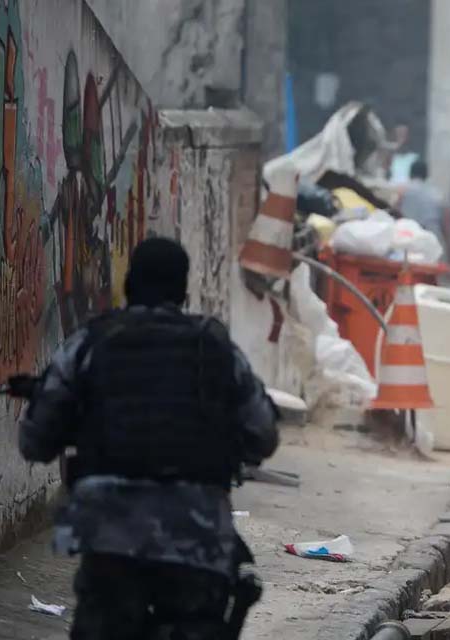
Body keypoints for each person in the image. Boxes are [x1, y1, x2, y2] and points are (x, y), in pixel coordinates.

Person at [18, 237, 279, 639]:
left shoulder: (90, 343)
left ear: (129, 283)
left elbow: (34, 441)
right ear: (183, 290)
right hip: (195, 537)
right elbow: (263, 435)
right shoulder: (216, 348)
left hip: (110, 538)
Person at [397, 158, 450, 259]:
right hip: (430, 246)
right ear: (426, 175)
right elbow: (448, 229)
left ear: (410, 174)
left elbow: (392, 214)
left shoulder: (401, 191)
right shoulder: (439, 195)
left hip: (405, 245)